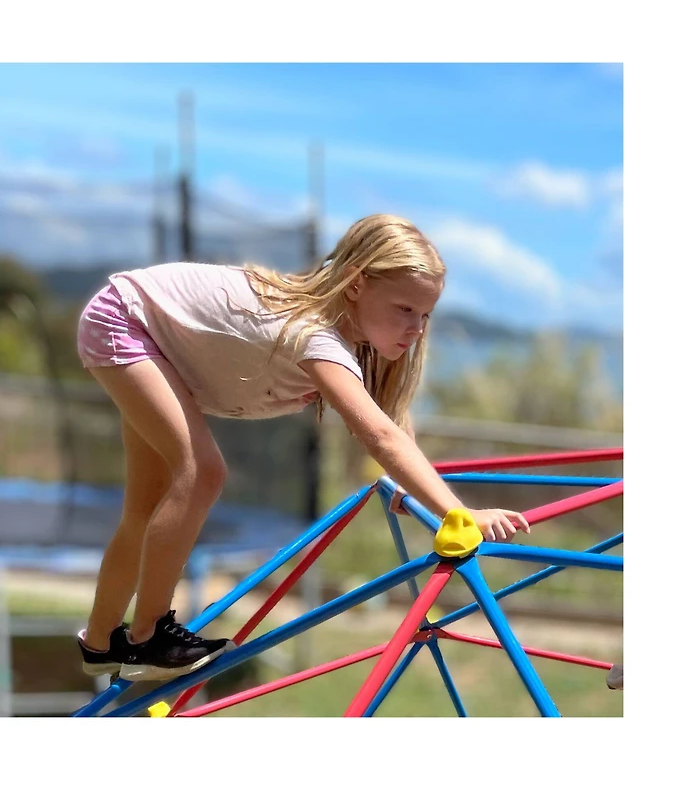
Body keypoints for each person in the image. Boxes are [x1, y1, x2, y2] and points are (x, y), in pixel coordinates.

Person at [75, 213, 530, 682]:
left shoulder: (356, 339)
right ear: (356, 285)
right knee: (201, 472)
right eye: (403, 309)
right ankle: (149, 636)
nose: (416, 327)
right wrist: (458, 513)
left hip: (155, 339)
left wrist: (408, 488)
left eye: (425, 313)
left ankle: (100, 641)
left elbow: (391, 421)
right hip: (127, 321)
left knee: (145, 509)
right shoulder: (314, 334)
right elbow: (380, 436)